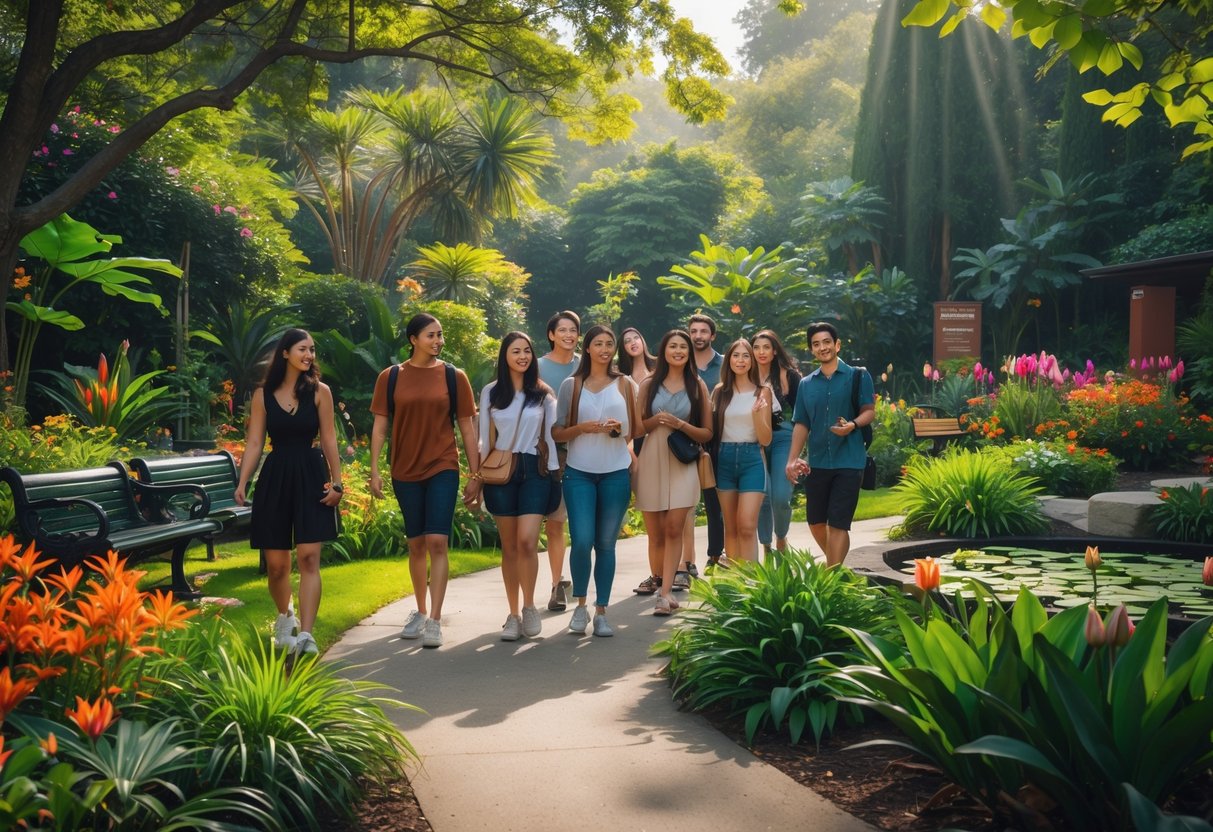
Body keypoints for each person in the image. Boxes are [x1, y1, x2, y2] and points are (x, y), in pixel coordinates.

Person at [369, 313, 479, 649]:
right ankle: (418, 610)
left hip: (442, 466)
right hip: (404, 469)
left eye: (440, 335)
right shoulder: (390, 378)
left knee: (436, 542)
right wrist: (374, 469)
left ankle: (434, 618)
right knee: (416, 544)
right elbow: (380, 426)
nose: (438, 341)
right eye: (431, 335)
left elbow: (467, 427)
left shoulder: (452, 376)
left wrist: (476, 475)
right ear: (413, 339)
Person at [236, 328, 342, 656]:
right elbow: (255, 443)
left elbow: (329, 439)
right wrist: (243, 482)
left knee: (309, 558)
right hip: (276, 477)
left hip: (311, 474)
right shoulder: (261, 395)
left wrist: (337, 482)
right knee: (277, 566)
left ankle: (307, 634)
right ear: (285, 353)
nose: (309, 355)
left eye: (312, 350)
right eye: (302, 349)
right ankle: (286, 617)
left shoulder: (320, 392)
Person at [551, 324, 641, 638]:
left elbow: (637, 429)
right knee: (583, 539)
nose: (604, 349)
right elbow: (557, 432)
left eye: (609, 344)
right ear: (587, 348)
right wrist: (582, 428)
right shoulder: (571, 385)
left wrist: (617, 429)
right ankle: (580, 606)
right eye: (598, 343)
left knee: (605, 544)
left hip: (616, 472)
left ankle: (601, 611)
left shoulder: (626, 384)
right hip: (579, 473)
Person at [475, 332, 560, 641]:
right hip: (501, 471)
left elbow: (550, 438)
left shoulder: (543, 393)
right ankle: (512, 614)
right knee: (509, 546)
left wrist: (553, 476)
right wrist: (479, 476)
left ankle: (529, 606)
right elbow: (485, 437)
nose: (523, 356)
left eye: (527, 350)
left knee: (526, 541)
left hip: (535, 470)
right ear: (505, 356)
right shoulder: (491, 393)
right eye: (516, 351)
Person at [633, 330, 712, 614]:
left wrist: (679, 424)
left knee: (673, 527)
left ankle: (665, 594)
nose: (678, 351)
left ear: (689, 352)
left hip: (683, 461)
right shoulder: (648, 384)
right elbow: (637, 429)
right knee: (655, 533)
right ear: (663, 350)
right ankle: (658, 582)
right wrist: (656, 420)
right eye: (673, 346)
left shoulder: (697, 385)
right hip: (652, 458)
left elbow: (706, 432)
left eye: (683, 347)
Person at [785, 322, 875, 567]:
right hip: (819, 462)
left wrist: (853, 425)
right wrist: (792, 459)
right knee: (815, 522)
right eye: (816, 344)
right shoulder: (806, 384)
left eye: (826, 342)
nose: (822, 347)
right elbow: (801, 423)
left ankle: (832, 576)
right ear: (811, 350)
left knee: (837, 523)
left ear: (837, 344)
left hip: (850, 460)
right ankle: (838, 568)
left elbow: (869, 411)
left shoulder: (858, 375)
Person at [710, 338, 772, 562]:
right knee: (731, 527)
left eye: (746, 355)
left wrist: (757, 416)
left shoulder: (762, 392)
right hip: (724, 459)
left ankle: (752, 583)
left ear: (752, 361)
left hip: (752, 459)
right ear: (729, 360)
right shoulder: (719, 392)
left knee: (746, 525)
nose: (741, 360)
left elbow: (765, 439)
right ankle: (736, 584)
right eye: (736, 355)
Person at [537, 310, 580, 613]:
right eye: (562, 330)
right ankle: (557, 584)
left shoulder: (587, 365)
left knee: (582, 524)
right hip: (547, 454)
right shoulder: (536, 366)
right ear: (551, 334)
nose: (568, 335)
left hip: (584, 450)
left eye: (573, 330)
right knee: (554, 522)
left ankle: (577, 577)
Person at [682, 313, 724, 582]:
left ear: (712, 335)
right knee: (684, 503)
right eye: (693, 331)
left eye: (703, 331)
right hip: (684, 440)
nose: (698, 336)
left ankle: (715, 556)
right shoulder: (682, 362)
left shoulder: (724, 365)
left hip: (718, 439)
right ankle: (687, 562)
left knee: (715, 501)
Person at [753, 329, 802, 557]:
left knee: (780, 496)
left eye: (766, 347)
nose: (761, 352)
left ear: (774, 351)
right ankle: (766, 546)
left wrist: (799, 451)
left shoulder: (788, 375)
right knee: (762, 495)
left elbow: (803, 415)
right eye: (756, 347)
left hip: (783, 436)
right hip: (754, 440)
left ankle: (781, 537)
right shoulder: (745, 374)